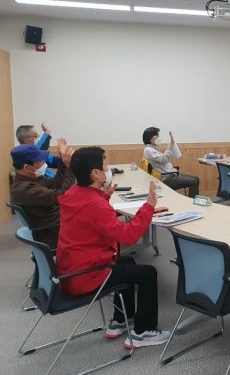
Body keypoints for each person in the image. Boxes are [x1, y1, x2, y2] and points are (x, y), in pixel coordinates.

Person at [56, 146, 170, 348]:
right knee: (148, 273)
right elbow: (129, 235)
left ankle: (121, 319)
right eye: (105, 165)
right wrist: (148, 206)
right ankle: (144, 332)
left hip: (71, 270)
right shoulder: (95, 204)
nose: (108, 169)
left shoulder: (73, 193)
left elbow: (90, 217)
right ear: (95, 173)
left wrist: (105, 196)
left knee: (128, 262)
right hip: (85, 275)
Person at [10, 140, 75, 248]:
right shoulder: (25, 189)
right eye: (40, 160)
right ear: (27, 167)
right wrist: (69, 167)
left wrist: (63, 161)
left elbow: (57, 183)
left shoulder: (32, 178)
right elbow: (64, 196)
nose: (44, 162)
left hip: (58, 223)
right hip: (54, 232)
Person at [142, 127, 199, 198]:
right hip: (165, 178)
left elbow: (162, 160)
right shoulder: (148, 150)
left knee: (196, 179)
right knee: (193, 181)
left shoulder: (152, 149)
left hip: (168, 175)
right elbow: (163, 159)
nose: (159, 138)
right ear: (150, 138)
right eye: (157, 136)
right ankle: (192, 202)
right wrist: (168, 148)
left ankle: (192, 201)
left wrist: (171, 147)